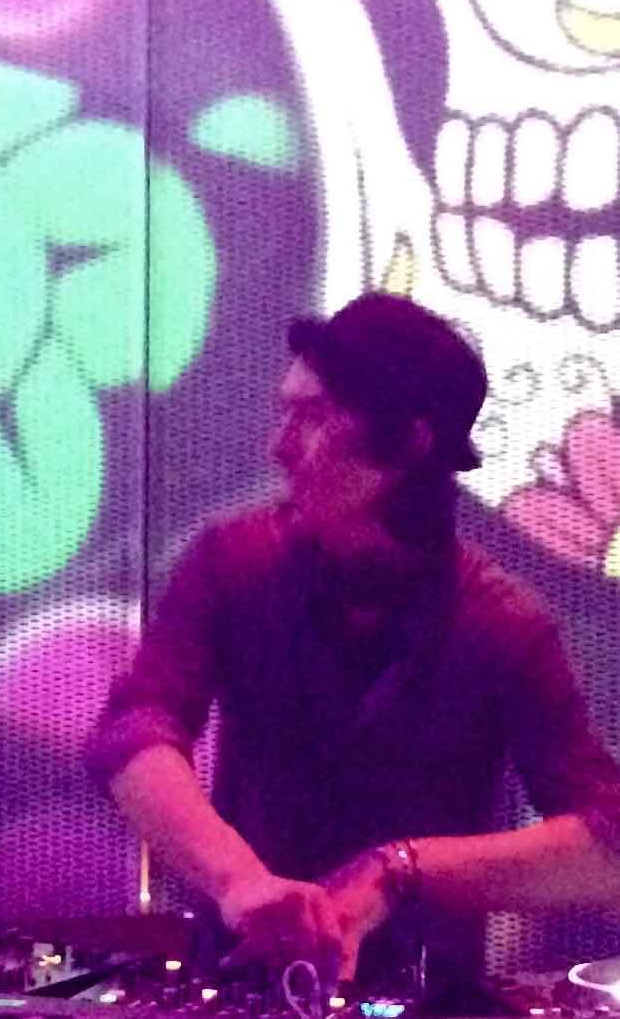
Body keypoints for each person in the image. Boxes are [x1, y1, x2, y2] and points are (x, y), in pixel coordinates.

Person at [85, 293, 620, 1001]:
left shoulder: (504, 624)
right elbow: (132, 733)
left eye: (312, 416)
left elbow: (607, 849)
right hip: (243, 980)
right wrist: (240, 881)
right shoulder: (230, 561)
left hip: (431, 998)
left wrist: (398, 871)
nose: (279, 447)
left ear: (408, 444)